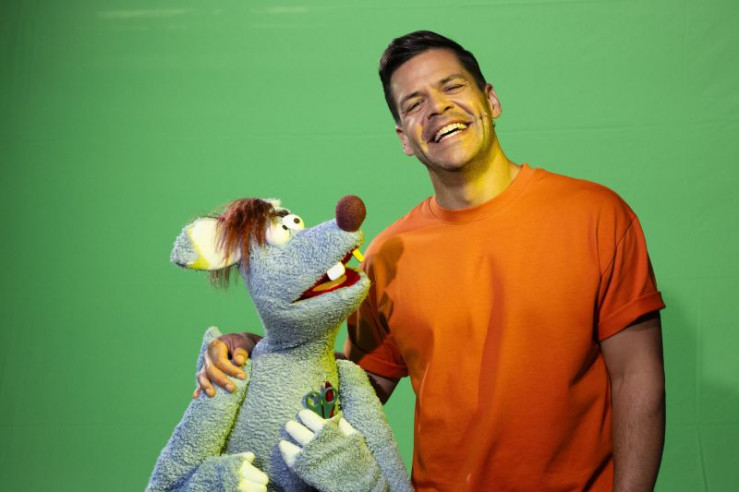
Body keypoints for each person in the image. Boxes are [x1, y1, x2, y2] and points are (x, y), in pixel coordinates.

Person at [195, 31, 666, 491]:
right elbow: (347, 388)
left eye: (452, 86)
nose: (437, 107)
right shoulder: (389, 255)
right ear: (404, 138)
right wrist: (260, 350)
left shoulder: (596, 215)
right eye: (414, 103)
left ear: (491, 100)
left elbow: (637, 378)